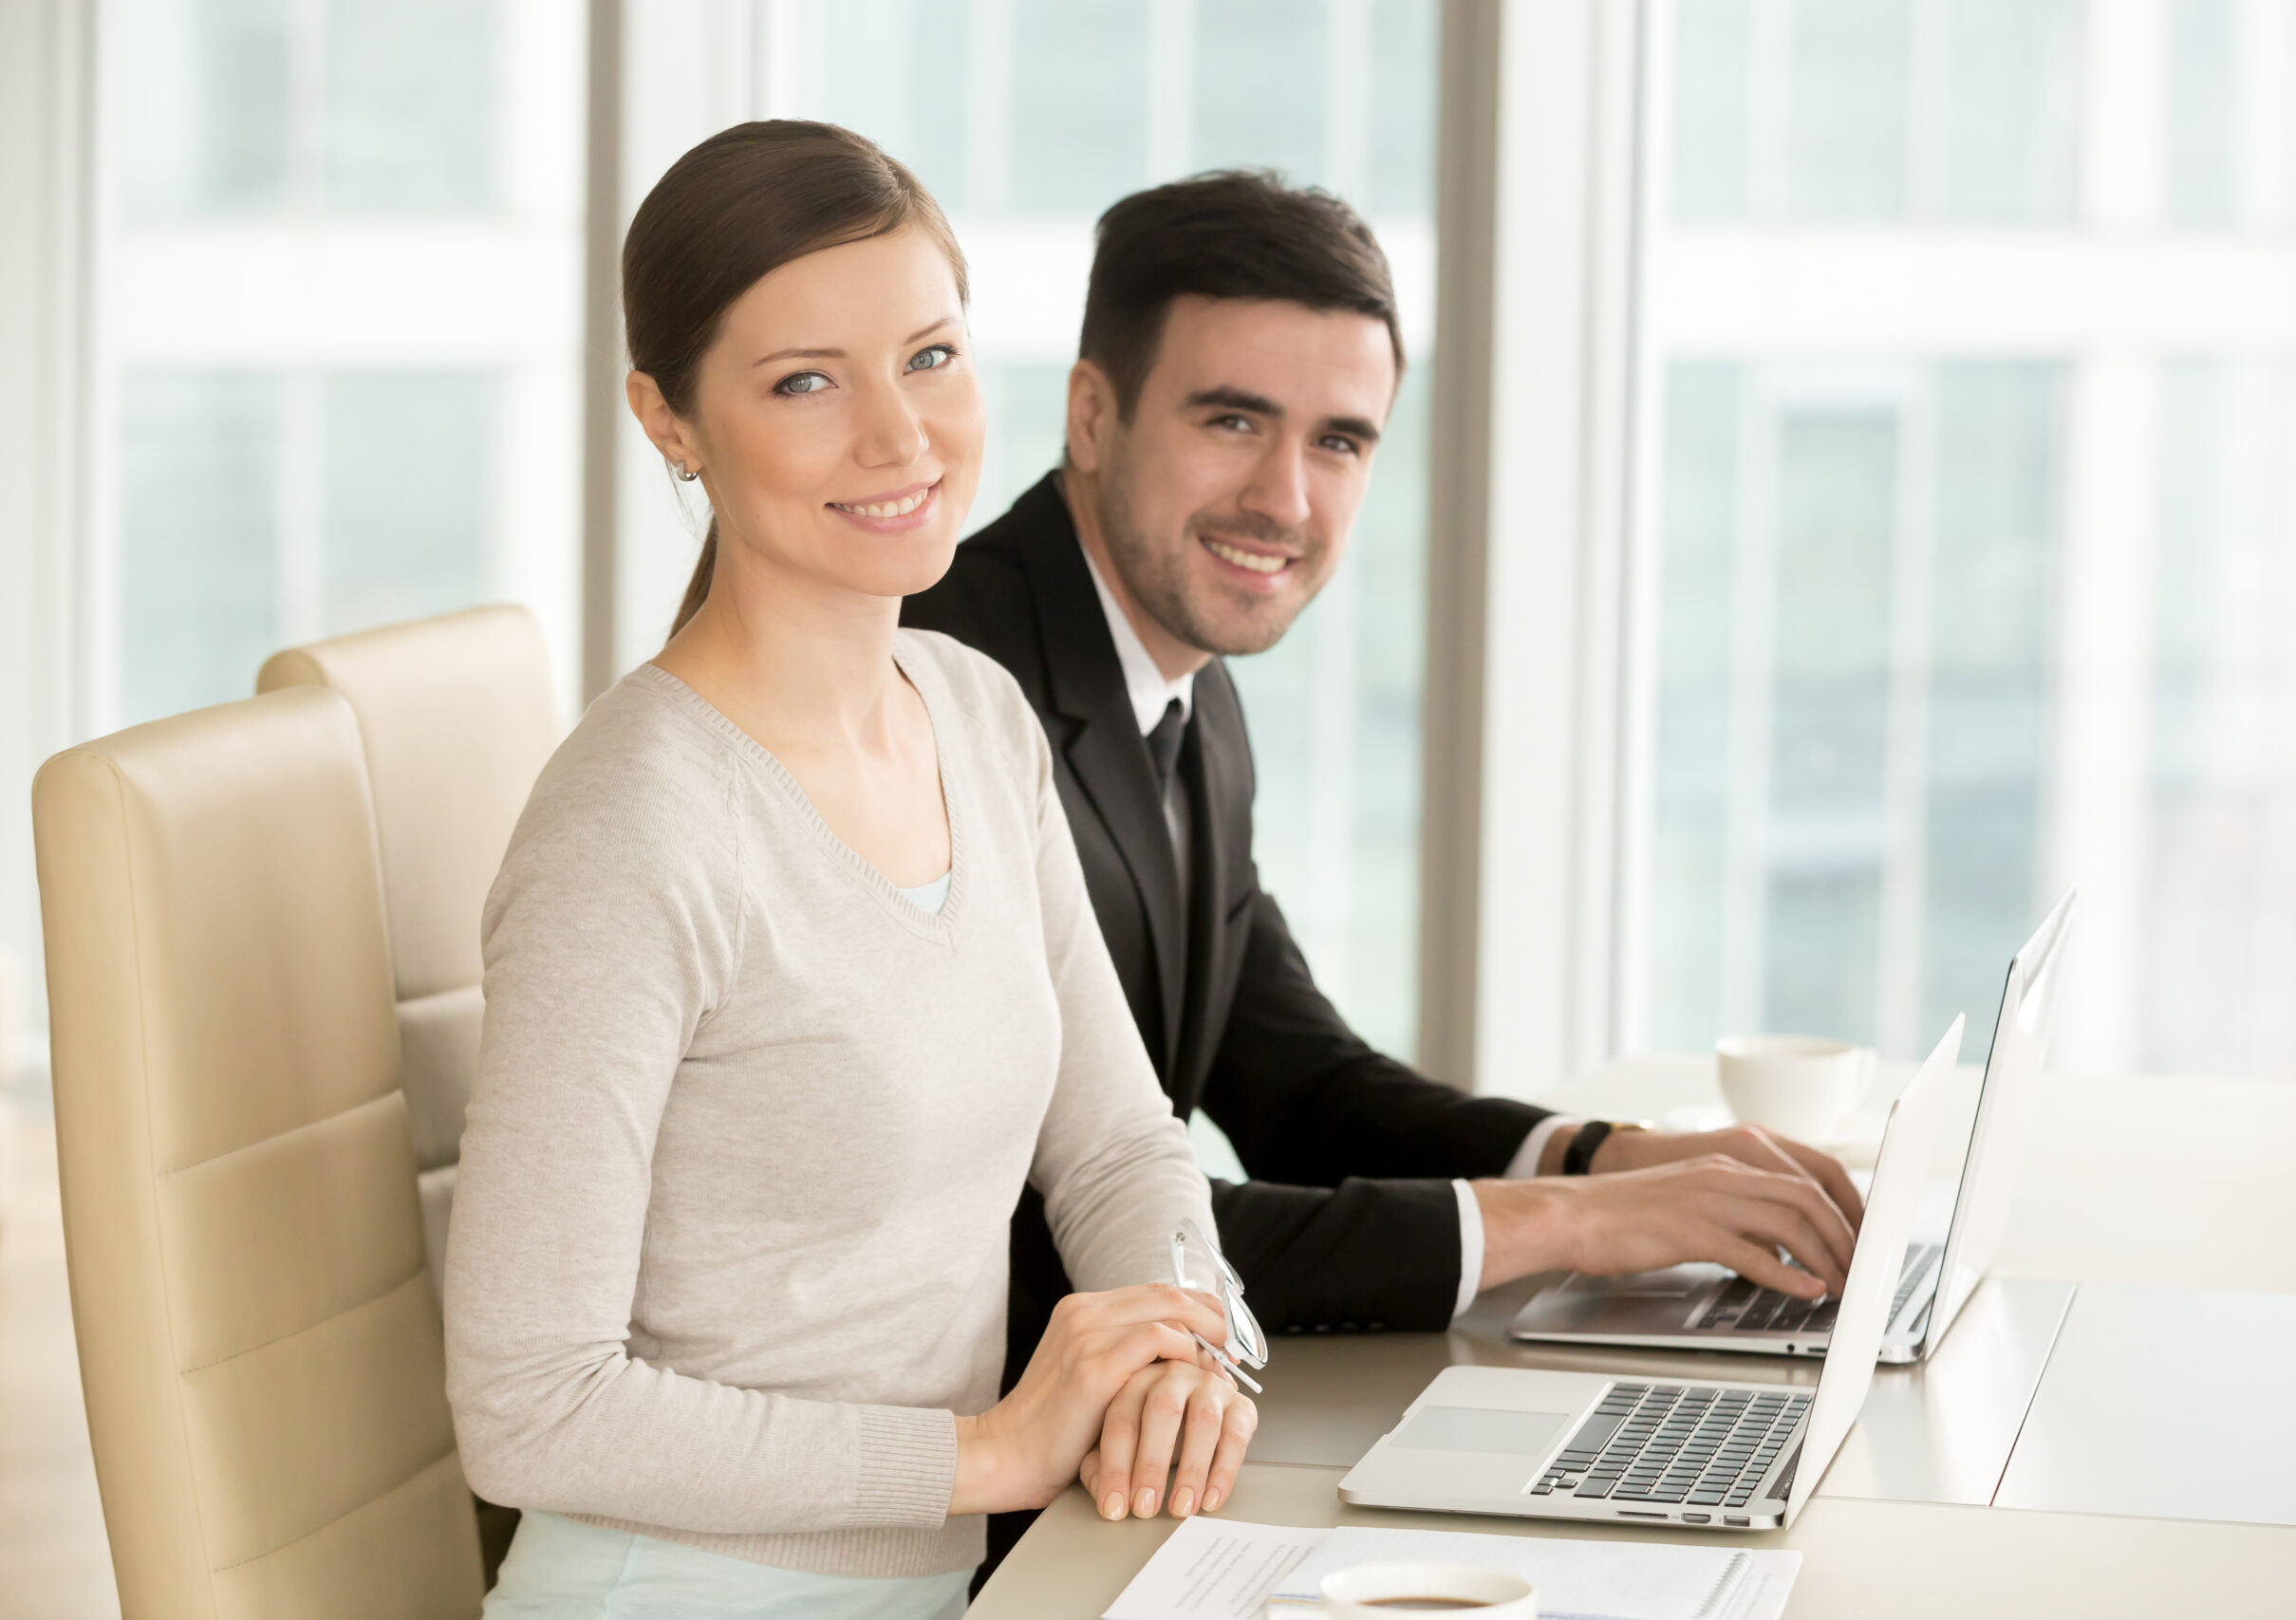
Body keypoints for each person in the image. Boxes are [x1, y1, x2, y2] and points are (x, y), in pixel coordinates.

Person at [902, 172, 1868, 1560]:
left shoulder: (1183, 690)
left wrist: (1614, 1157)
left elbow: (1299, 1085)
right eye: (1232, 420)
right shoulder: (950, 685)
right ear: (1092, 414)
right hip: (953, 1513)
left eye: (1341, 441)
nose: (1284, 497)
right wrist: (1578, 1225)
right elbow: (1049, 1243)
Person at [444, 122, 1255, 1620]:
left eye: (931, 356)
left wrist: (1193, 1348)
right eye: (805, 381)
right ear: (668, 420)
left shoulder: (975, 712)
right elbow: (527, 1403)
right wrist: (989, 1450)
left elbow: (1120, 1147)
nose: (900, 437)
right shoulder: (637, 827)